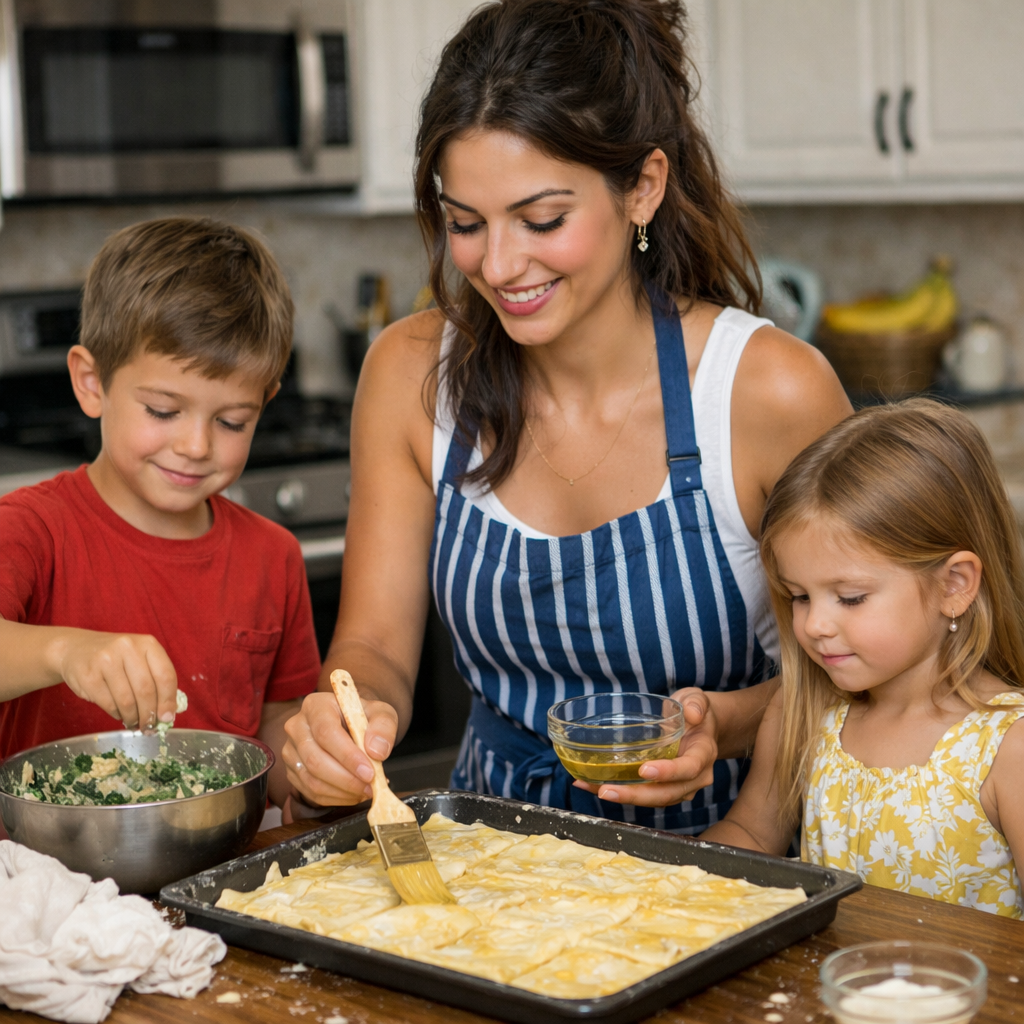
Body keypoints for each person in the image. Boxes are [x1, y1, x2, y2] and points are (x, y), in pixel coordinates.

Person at [283, 0, 850, 830]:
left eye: (543, 220)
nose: (500, 265)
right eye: (464, 224)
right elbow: (371, 647)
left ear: (642, 189)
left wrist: (720, 731)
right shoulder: (410, 376)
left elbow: (868, 674)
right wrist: (346, 720)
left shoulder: (766, 392)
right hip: (486, 856)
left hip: (730, 859)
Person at [0, 217, 321, 811]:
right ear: (92, 382)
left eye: (232, 422)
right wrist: (63, 653)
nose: (197, 446)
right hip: (46, 882)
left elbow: (279, 725)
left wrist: (317, 776)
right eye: (163, 410)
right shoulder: (29, 531)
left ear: (265, 404)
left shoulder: (272, 557)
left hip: (218, 872)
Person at [702, 401, 1024, 917]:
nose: (813, 625)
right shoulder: (803, 710)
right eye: (798, 596)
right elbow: (752, 834)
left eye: (850, 597)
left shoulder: (1009, 747)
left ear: (955, 586)